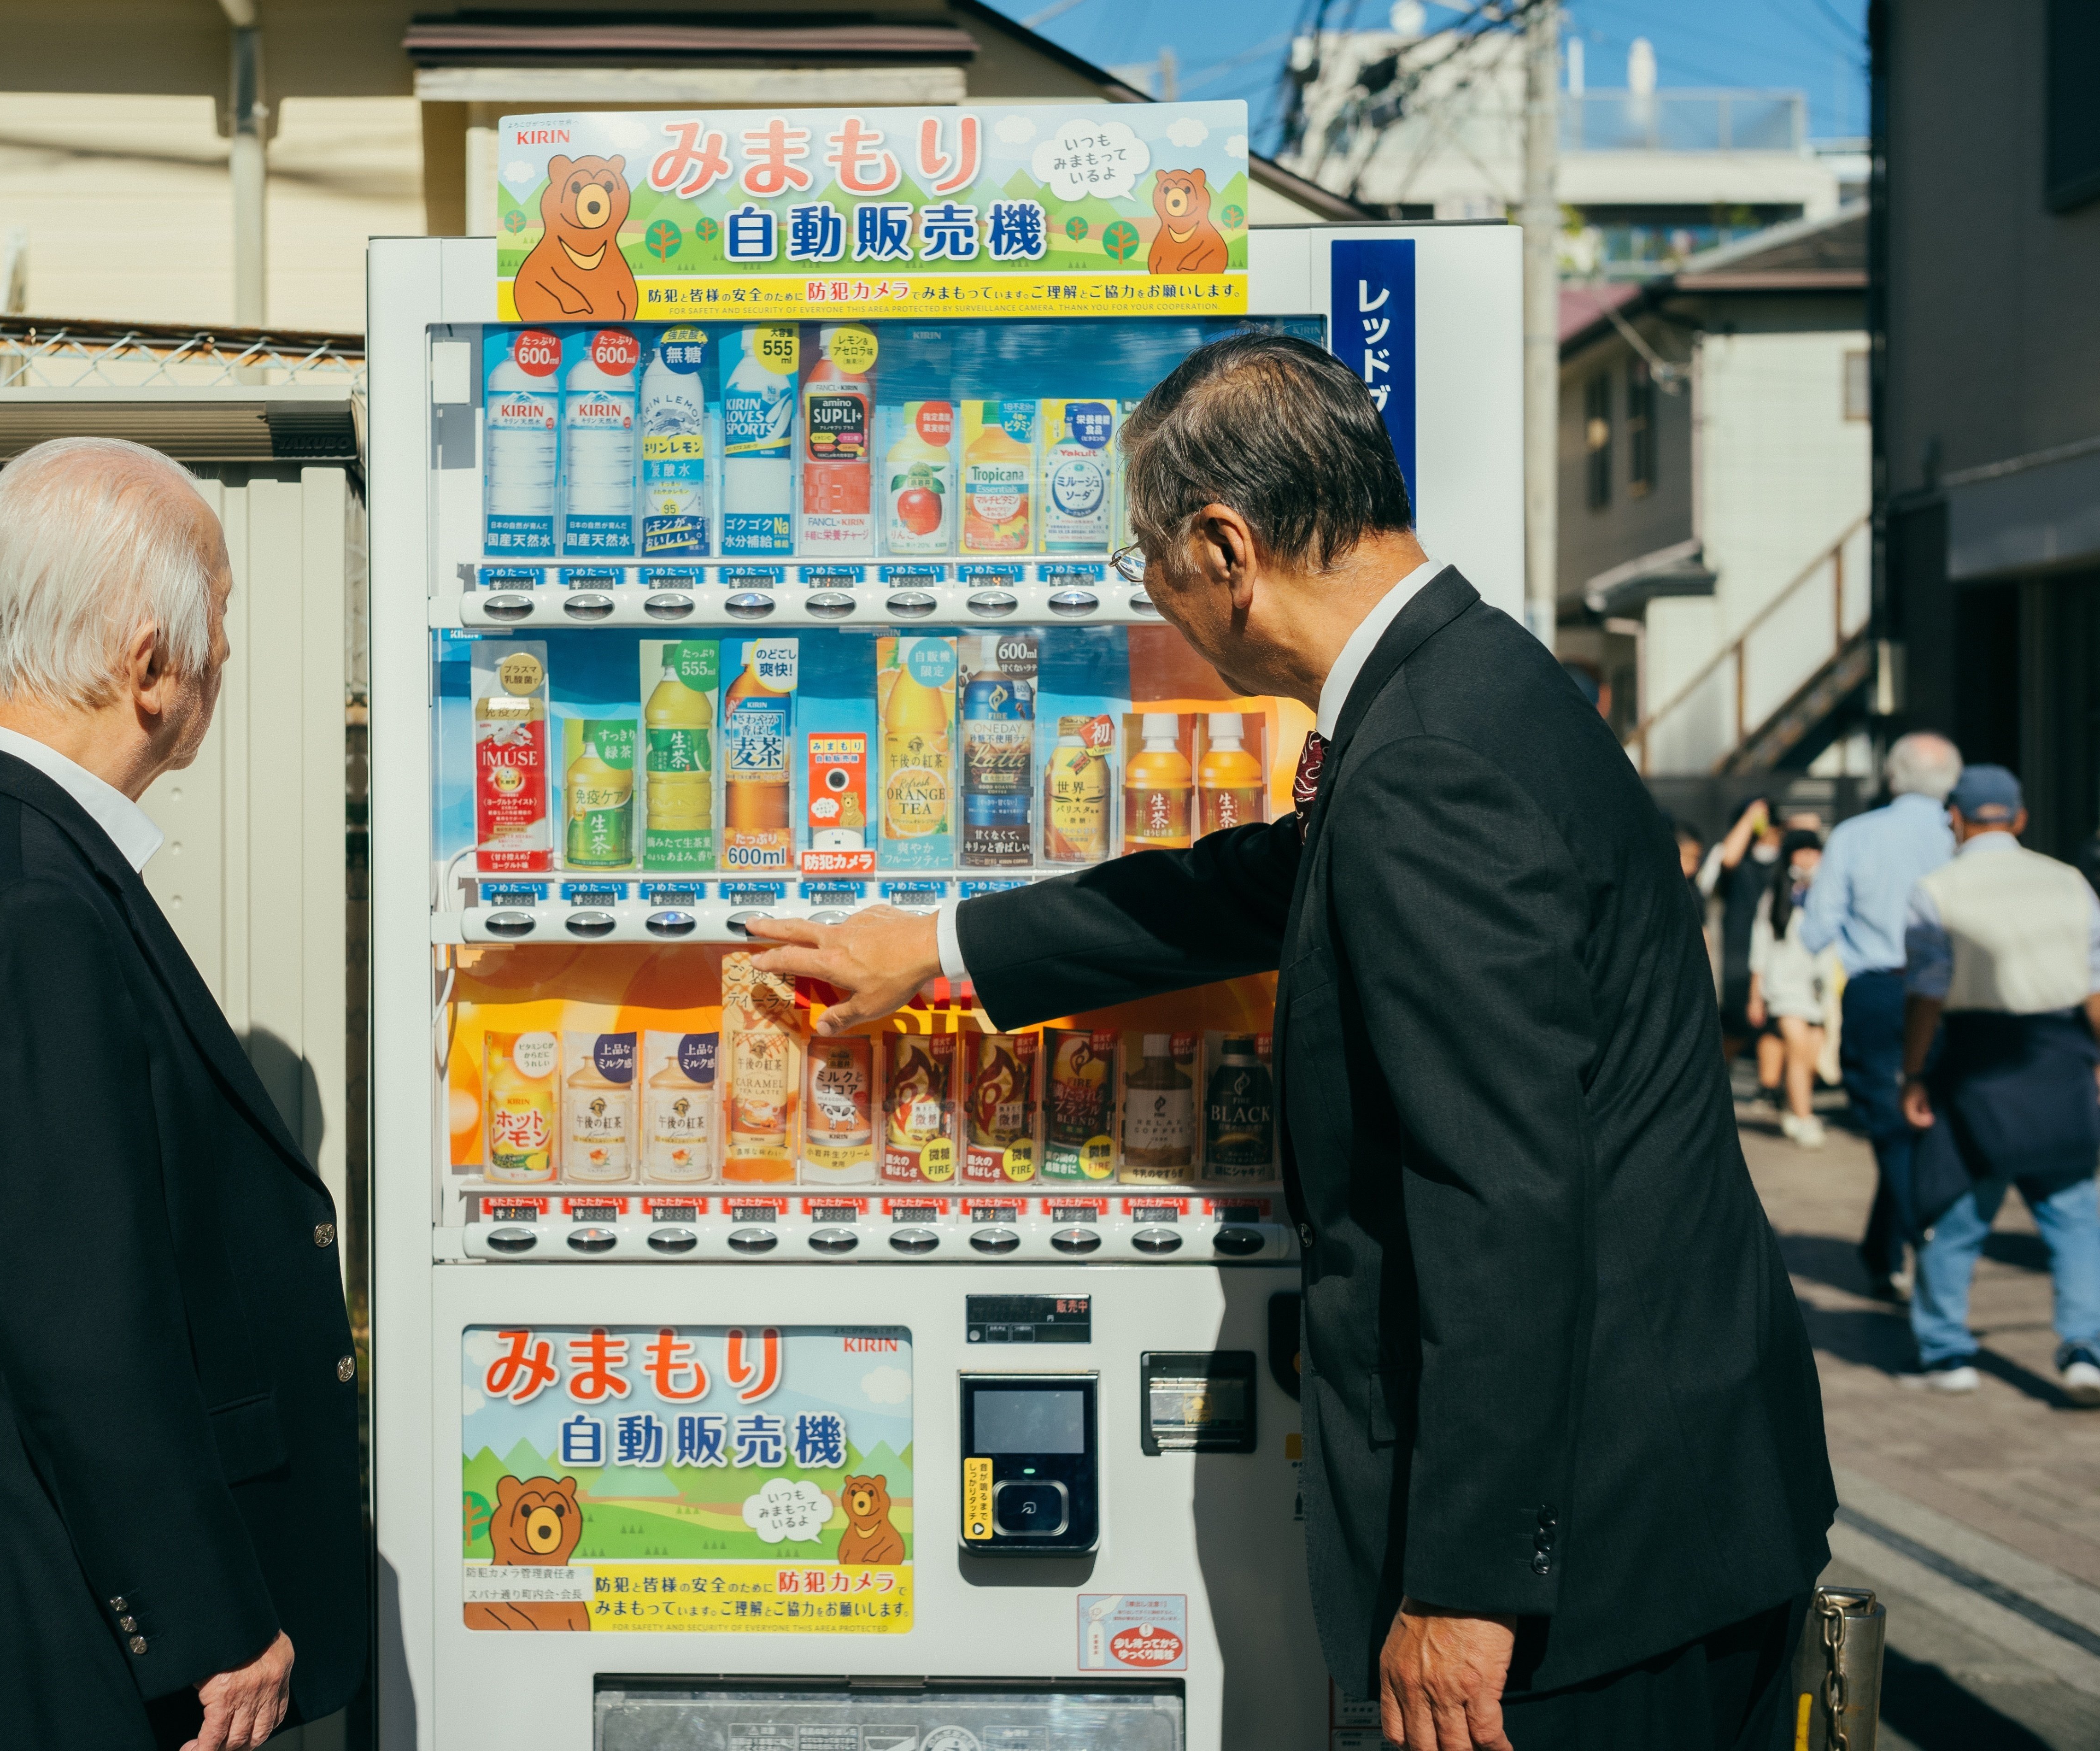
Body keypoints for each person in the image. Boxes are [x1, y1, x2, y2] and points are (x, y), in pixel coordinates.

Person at [748, 334, 1833, 1751]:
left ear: (1224, 547)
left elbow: (1501, 1194)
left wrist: (1467, 1585)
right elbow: (1272, 879)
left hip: (1594, 1568)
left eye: (1148, 560)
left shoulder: (1426, 762)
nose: (1150, 593)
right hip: (1674, 1496)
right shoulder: (1462, 686)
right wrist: (943, 948)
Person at [0, 439, 366, 1751]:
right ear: (151, 661)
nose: (228, 655)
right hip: (64, 1615)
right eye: (220, 621)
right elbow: (79, 1316)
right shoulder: (31, 899)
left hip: (25, 1579)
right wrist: (213, 1617)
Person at [1897, 765, 2100, 1404]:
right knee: (2075, 1212)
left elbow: (1927, 992)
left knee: (1955, 1207)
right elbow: (2096, 985)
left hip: (1976, 1061)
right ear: (2019, 818)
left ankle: (1946, 1352)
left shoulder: (1937, 888)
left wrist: (1914, 1073)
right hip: (2061, 1057)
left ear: (1955, 818)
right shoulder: (2069, 882)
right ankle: (2085, 1350)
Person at [1800, 733, 1962, 1296]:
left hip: (1878, 988)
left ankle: (1926, 1244)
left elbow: (1816, 928)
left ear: (1892, 777)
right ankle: (1883, 1249)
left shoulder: (1855, 835)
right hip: (1951, 994)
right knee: (1926, 1123)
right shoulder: (1958, 835)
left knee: (1892, 1127)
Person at [1749, 827, 1833, 1147]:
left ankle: (1793, 1106)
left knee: (1813, 1056)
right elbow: (1761, 944)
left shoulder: (1830, 889)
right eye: (1801, 851)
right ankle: (1805, 1118)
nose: (1808, 858)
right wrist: (1756, 994)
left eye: (1813, 851)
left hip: (1819, 988)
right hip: (1784, 986)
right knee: (1798, 1047)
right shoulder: (1776, 892)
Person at [1703, 798, 1785, 1092]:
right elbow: (1728, 859)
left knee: (1776, 1024)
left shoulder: (1785, 861)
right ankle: (1714, 1079)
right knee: (1737, 1023)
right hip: (1738, 954)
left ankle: (1771, 1090)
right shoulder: (1738, 862)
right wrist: (1751, 818)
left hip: (1780, 957)